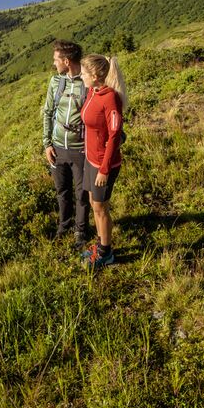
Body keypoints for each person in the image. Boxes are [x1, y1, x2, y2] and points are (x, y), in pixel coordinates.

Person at [79, 53, 127, 269]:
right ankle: (100, 245)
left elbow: (115, 135)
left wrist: (104, 170)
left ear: (95, 75)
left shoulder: (110, 98)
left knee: (100, 208)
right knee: (93, 203)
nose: (81, 76)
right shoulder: (93, 91)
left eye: (83, 73)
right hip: (91, 159)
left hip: (103, 164)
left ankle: (106, 254)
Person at [41, 39, 89, 246]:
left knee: (81, 193)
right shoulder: (56, 82)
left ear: (67, 61)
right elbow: (48, 112)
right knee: (62, 191)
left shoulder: (87, 83)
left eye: (56, 60)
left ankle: (81, 230)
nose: (54, 64)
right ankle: (64, 226)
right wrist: (47, 144)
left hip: (81, 148)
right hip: (58, 147)